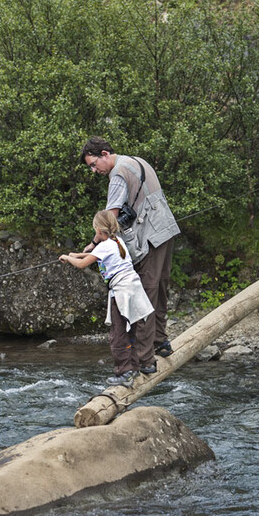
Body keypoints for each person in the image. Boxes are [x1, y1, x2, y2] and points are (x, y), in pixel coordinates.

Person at [79, 137, 180, 375]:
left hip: (149, 240)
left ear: (105, 153)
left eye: (94, 164)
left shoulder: (118, 174)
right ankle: (161, 343)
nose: (95, 171)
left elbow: (109, 218)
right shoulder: (137, 161)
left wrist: (94, 244)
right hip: (166, 230)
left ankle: (146, 360)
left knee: (144, 295)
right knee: (161, 288)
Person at [59, 210, 154, 388]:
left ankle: (123, 372)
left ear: (99, 229)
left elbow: (82, 264)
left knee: (117, 334)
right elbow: (91, 256)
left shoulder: (105, 246)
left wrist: (67, 258)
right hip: (133, 289)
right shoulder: (117, 242)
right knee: (130, 330)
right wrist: (75, 254)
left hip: (122, 292)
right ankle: (133, 367)